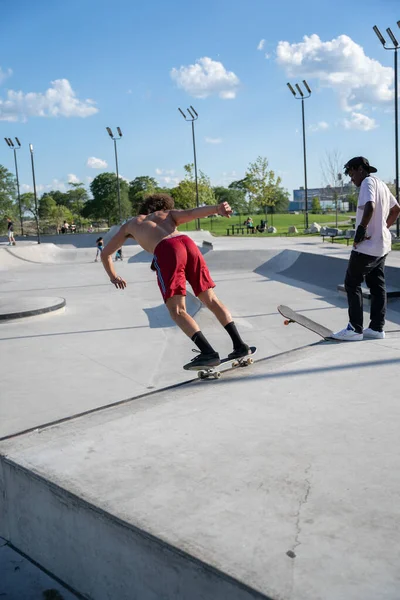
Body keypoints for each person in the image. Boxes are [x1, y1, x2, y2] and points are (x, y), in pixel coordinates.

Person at [100, 193, 250, 369]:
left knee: (177, 310)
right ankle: (240, 345)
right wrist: (217, 208)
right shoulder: (167, 214)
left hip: (167, 250)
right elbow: (193, 212)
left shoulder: (130, 225)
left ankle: (208, 353)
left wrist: (113, 276)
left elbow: (105, 254)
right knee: (211, 299)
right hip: (188, 244)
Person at [332, 156, 400, 341]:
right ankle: (377, 328)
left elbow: (370, 206)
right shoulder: (382, 185)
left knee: (351, 283)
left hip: (367, 247)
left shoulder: (367, 183)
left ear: (360, 169)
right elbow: (396, 209)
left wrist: (361, 231)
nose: (351, 178)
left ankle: (355, 329)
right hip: (382, 246)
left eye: (352, 173)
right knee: (377, 286)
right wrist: (383, 228)